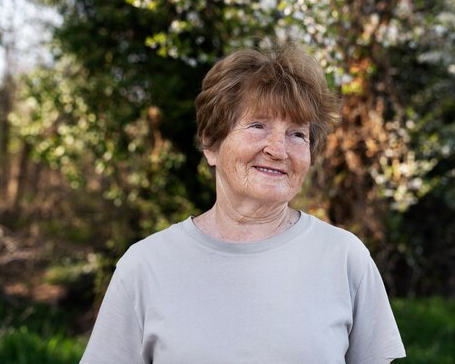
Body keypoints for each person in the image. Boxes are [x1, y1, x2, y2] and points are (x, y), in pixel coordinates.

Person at [80, 43, 406, 363]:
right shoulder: (145, 266)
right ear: (211, 144)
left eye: (297, 134)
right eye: (257, 125)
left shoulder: (346, 258)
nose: (278, 150)